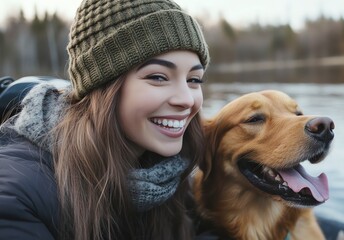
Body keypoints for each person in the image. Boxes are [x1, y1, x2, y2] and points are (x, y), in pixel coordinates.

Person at [0, 0, 209, 239]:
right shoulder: (17, 193)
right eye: (159, 77)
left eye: (194, 80)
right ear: (102, 86)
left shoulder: (175, 176)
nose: (187, 100)